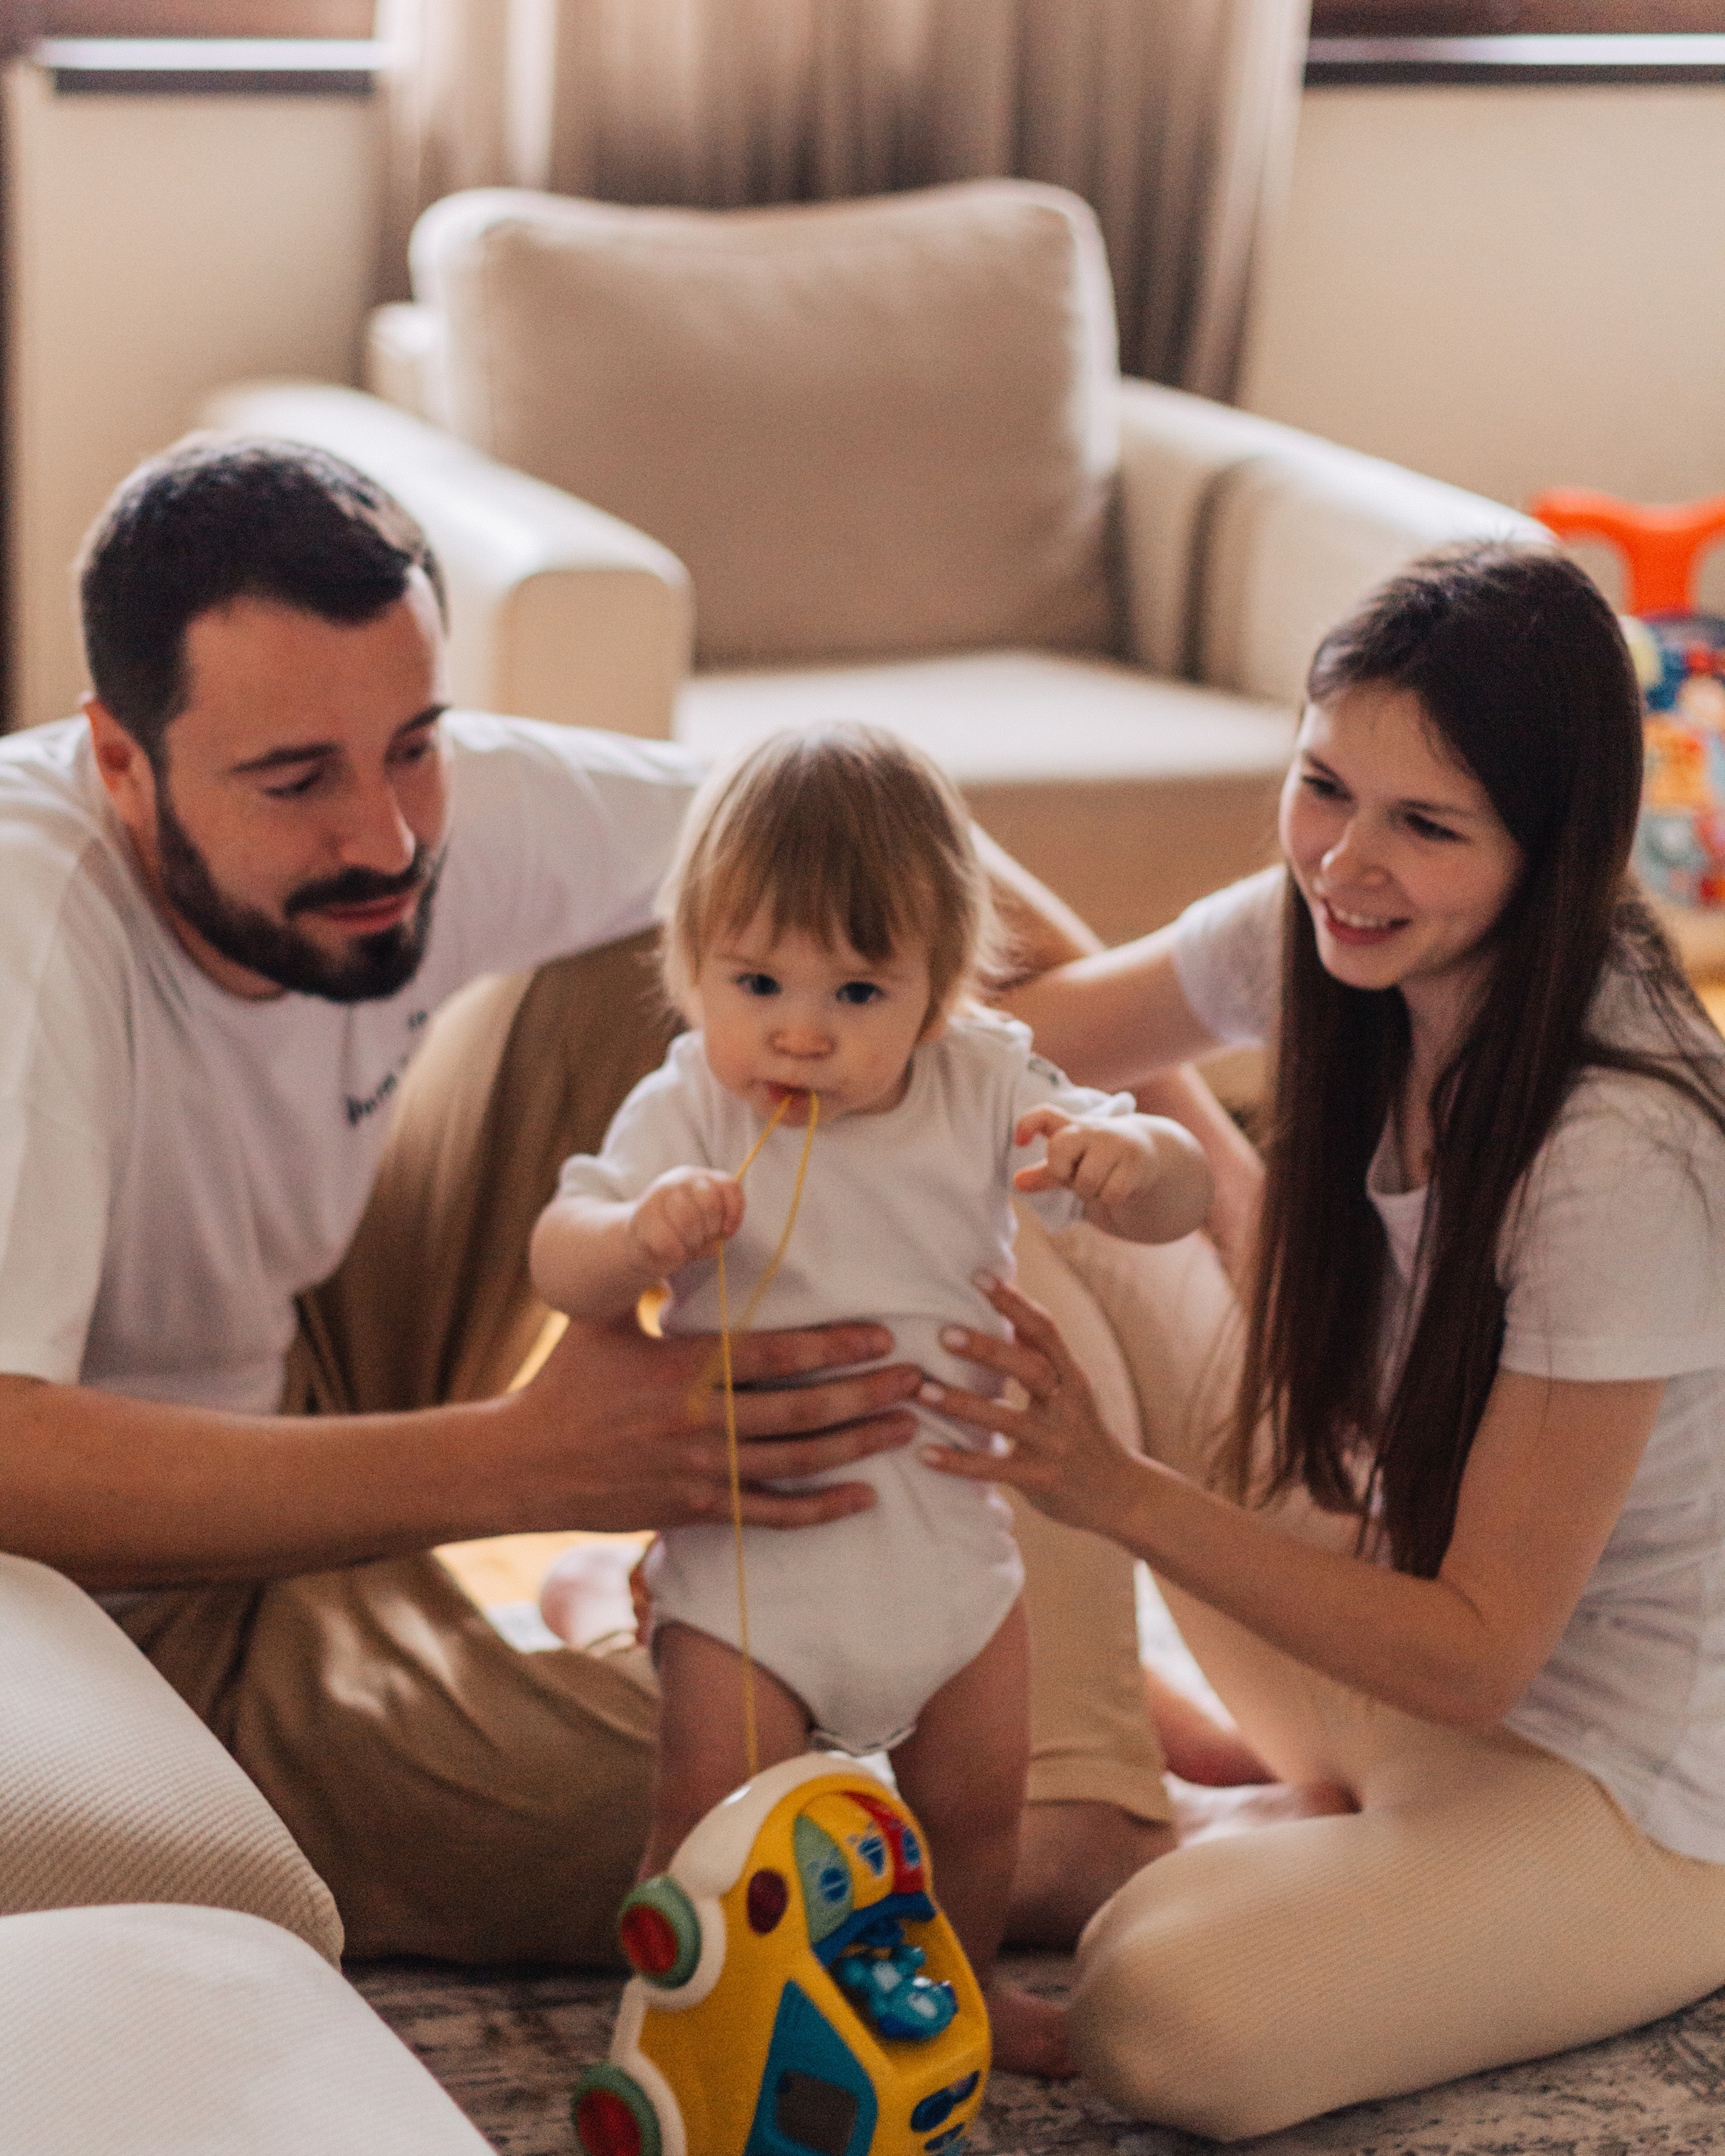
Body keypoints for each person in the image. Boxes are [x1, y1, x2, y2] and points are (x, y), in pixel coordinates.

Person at [0, 433, 1220, 1964]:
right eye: (295, 779)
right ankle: (1056, 1826)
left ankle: (1045, 1703)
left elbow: (904, 864)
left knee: (718, 935)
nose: (384, 835)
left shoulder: (395, 799)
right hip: (124, 1593)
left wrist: (1224, 1191)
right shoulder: (28, 934)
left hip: (306, 1354)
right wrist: (514, 1464)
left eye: (414, 745)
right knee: (728, 1827)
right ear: (121, 761)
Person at [915, 544, 1725, 2136]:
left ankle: (1188, 1833)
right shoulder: (1324, 925)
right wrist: (858, 864)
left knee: (1155, 2006)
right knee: (1004, 1196)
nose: (1345, 861)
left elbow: (1481, 1649)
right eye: (1320, 786)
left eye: (1425, 826)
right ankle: (1128, 1793)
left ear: (1549, 852)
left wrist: (1114, 1487)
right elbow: (1010, 1035)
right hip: (1386, 1649)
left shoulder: (1619, 1154)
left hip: (1615, 1787)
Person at [530, 726, 1212, 2070]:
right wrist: (633, 1239)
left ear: (937, 992)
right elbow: (561, 1249)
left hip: (951, 1572)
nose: (799, 1027)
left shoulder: (982, 1086)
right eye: (756, 980)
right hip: (752, 1579)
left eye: (856, 990)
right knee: (707, 1814)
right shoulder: (691, 1109)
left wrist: (1132, 1155)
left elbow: (1171, 1187)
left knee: (971, 1812)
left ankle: (947, 1995)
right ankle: (681, 2023)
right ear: (691, 970)